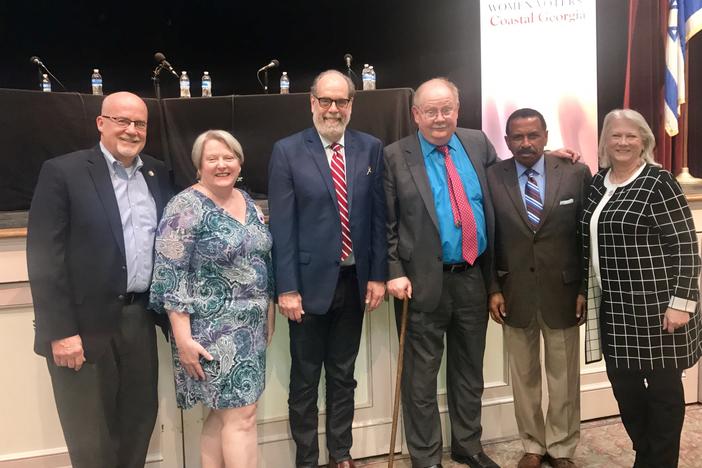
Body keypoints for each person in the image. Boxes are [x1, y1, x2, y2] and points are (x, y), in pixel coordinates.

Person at [26, 91, 172, 468]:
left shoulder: (157, 173)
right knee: (91, 440)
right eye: (122, 120)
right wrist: (60, 331)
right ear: (101, 123)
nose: (131, 130)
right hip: (81, 328)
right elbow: (44, 257)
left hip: (139, 320)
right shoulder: (63, 172)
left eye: (139, 123)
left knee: (138, 424)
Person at [268, 70, 387, 468]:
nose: (333, 109)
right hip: (306, 288)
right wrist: (286, 288)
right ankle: (307, 460)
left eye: (341, 102)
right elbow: (282, 228)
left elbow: (377, 218)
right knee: (304, 381)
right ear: (312, 102)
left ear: (352, 105)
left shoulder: (370, 149)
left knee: (343, 376)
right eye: (326, 101)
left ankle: (341, 455)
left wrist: (377, 275)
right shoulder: (287, 151)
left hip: (354, 283)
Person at [384, 77, 500, 468]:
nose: (439, 118)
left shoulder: (478, 143)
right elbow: (385, 222)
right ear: (415, 114)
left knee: (469, 370)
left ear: (457, 109)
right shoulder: (395, 156)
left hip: (472, 277)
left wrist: (552, 159)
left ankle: (468, 445)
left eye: (446, 109)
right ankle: (426, 457)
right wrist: (395, 271)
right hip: (419, 284)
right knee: (420, 378)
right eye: (430, 111)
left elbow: (503, 189)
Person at [580, 109, 702, 468]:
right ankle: (646, 452)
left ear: (644, 140)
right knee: (625, 390)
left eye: (631, 135)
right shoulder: (597, 183)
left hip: (660, 309)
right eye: (615, 135)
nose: (622, 142)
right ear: (604, 141)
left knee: (664, 393)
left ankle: (657, 462)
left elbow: (684, 245)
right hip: (615, 311)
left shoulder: (658, 181)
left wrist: (682, 302)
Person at [150, 130, 274, 468]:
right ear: (198, 166)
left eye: (228, 157)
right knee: (242, 416)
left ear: (240, 161)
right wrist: (183, 338)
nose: (222, 164)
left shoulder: (246, 200)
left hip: (250, 328)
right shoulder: (184, 207)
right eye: (212, 159)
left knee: (222, 416)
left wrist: (269, 313)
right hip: (211, 331)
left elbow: (260, 259)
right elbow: (169, 275)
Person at [487, 108, 591, 468]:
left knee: (564, 378)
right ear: (507, 141)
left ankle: (561, 447)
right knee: (524, 376)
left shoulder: (576, 173)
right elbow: (489, 238)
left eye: (533, 135)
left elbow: (584, 235)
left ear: (546, 136)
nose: (526, 143)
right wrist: (493, 288)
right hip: (514, 293)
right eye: (517, 137)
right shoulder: (492, 177)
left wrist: (583, 289)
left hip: (563, 292)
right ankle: (532, 444)